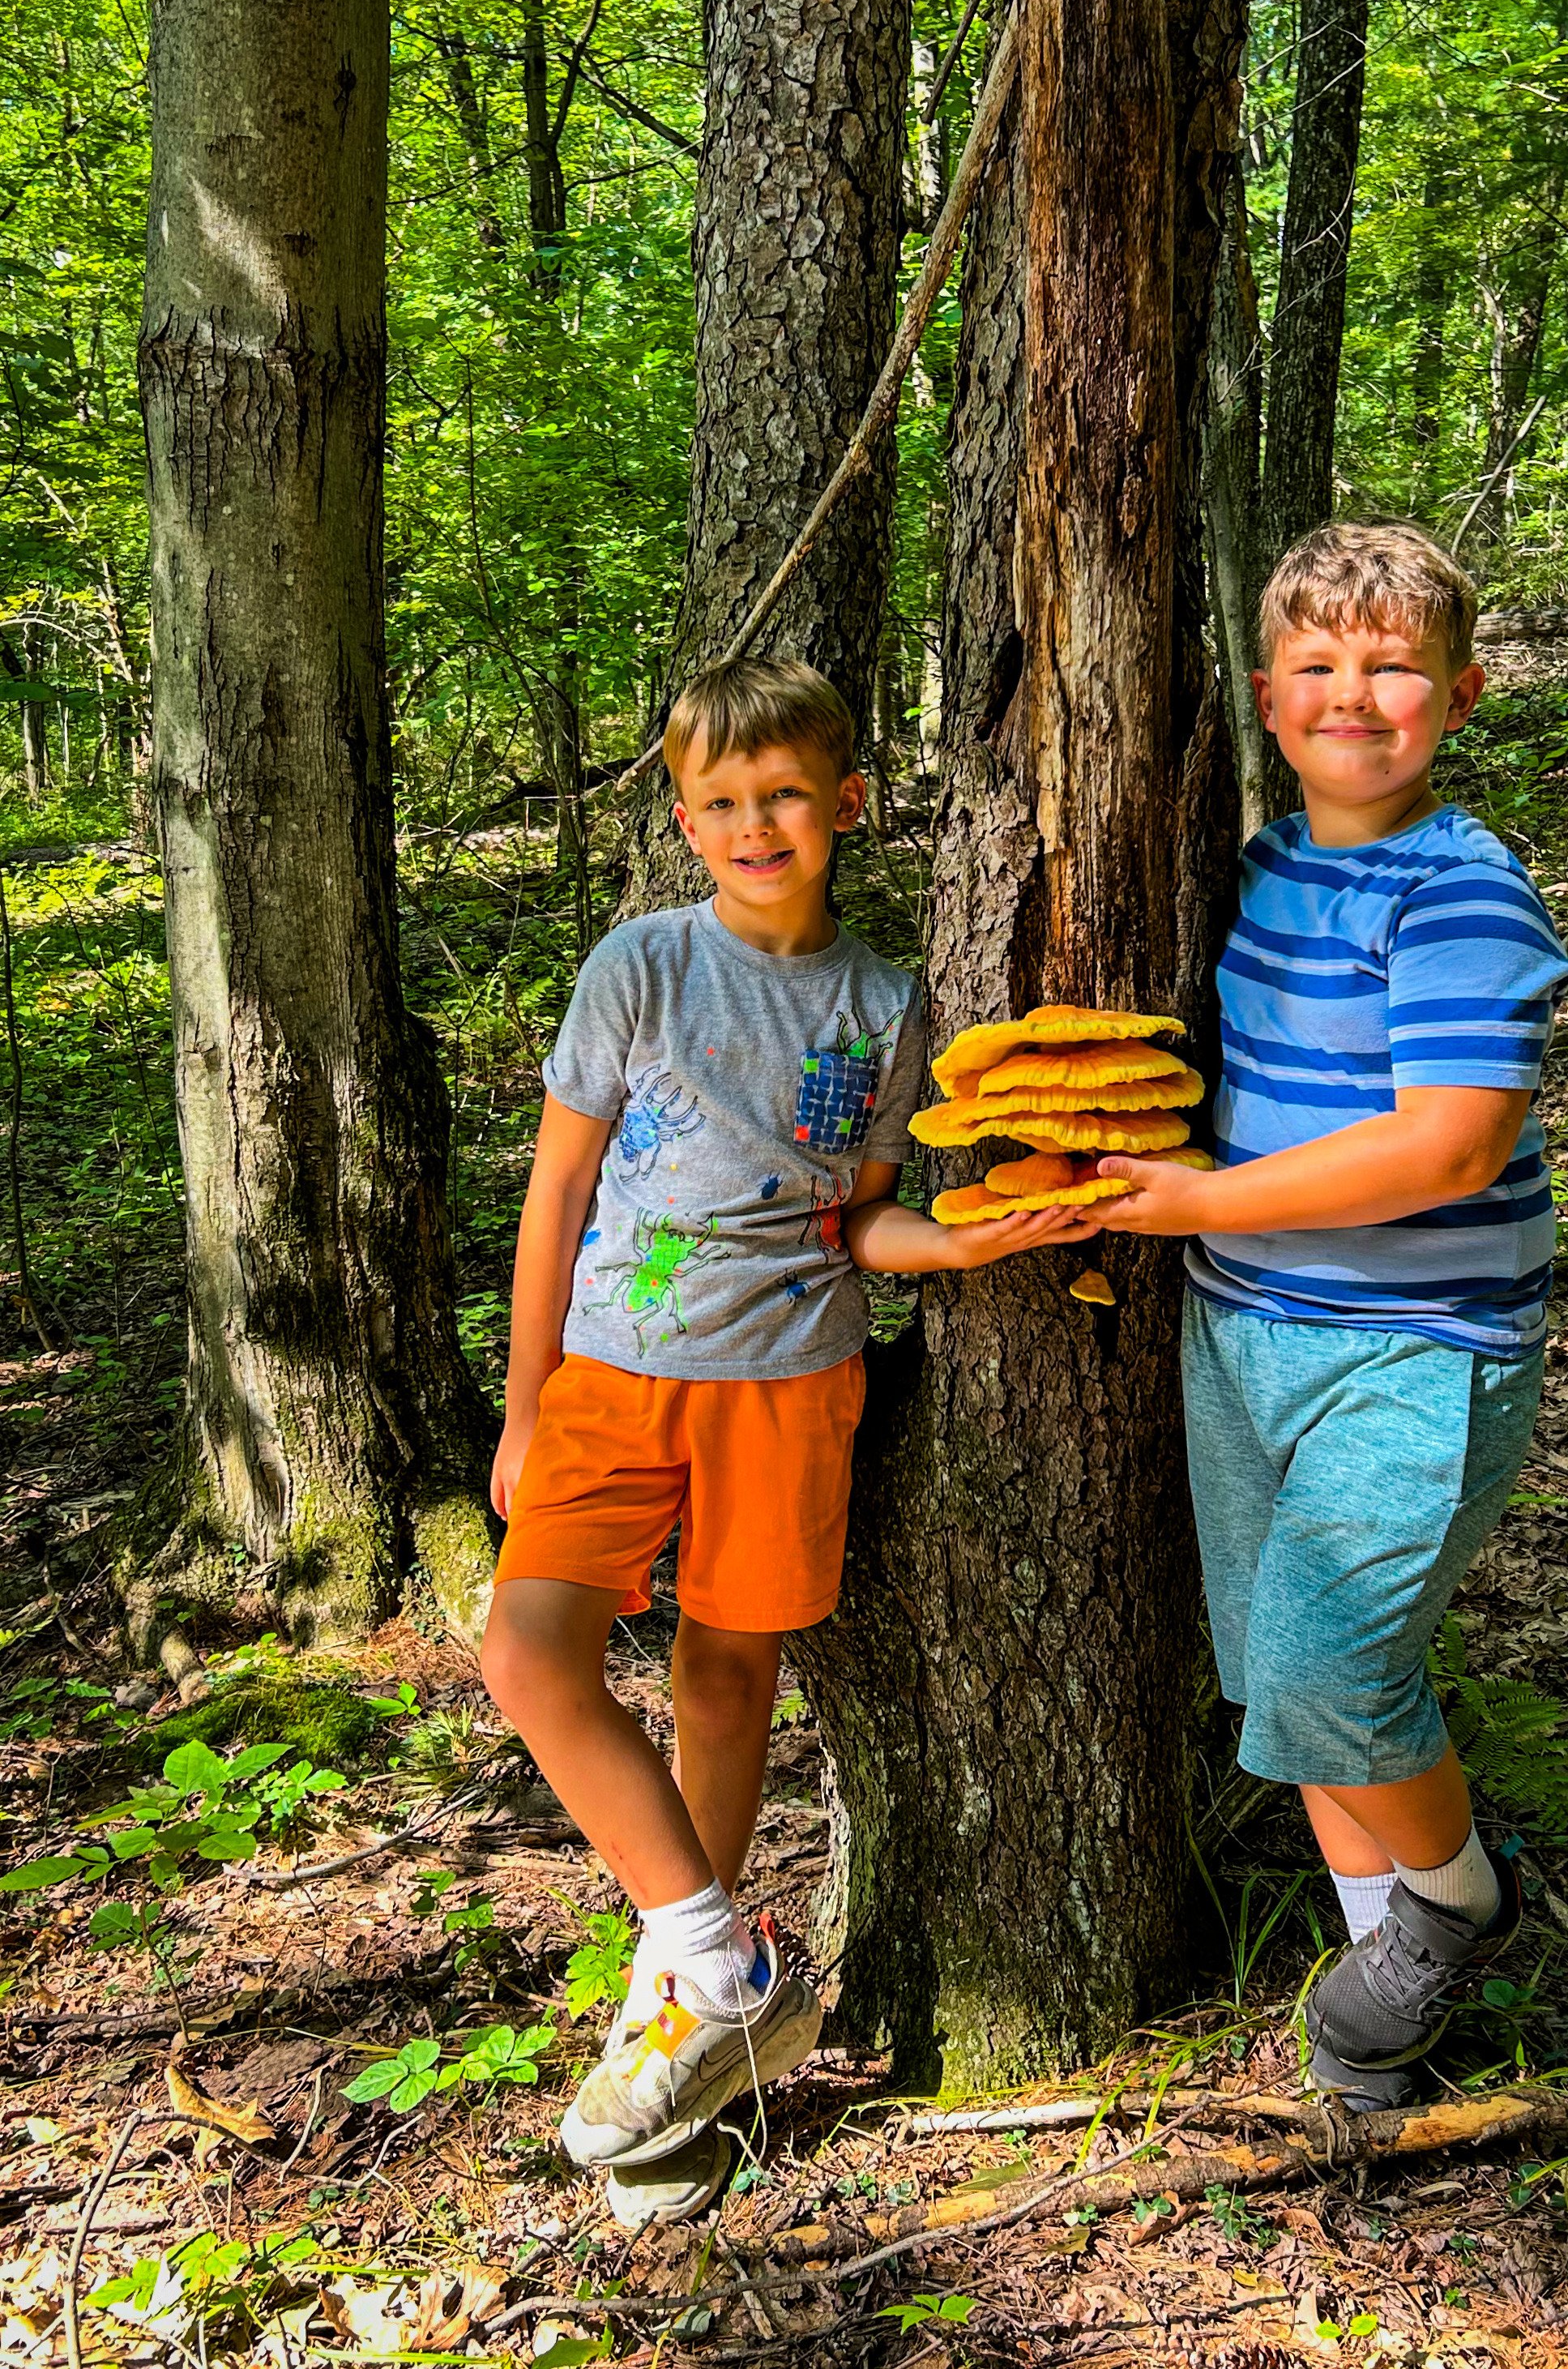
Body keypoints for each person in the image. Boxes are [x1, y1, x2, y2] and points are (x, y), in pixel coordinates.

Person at [481, 655, 1088, 2226]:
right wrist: (525, 1396)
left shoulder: (881, 1005)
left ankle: (679, 2016)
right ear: (687, 816)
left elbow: (860, 1214)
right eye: (724, 800)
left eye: (786, 795)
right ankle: (716, 1946)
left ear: (845, 803)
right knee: (532, 1653)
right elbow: (557, 1191)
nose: (757, 822)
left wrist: (964, 1242)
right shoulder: (642, 964)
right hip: (612, 1374)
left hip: (790, 1384)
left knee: (725, 1671)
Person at [1093, 519, 1568, 2107]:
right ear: (1264, 694)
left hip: (1412, 1348)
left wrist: (1192, 1203)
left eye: (1392, 667)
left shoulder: (1460, 889)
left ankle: (1453, 1903)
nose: (1352, 695)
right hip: (1240, 1335)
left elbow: (1451, 1138)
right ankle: (1389, 2006)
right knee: (1273, 1679)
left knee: (1323, 1663)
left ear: (1461, 691)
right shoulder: (1258, 868)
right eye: (1318, 665)